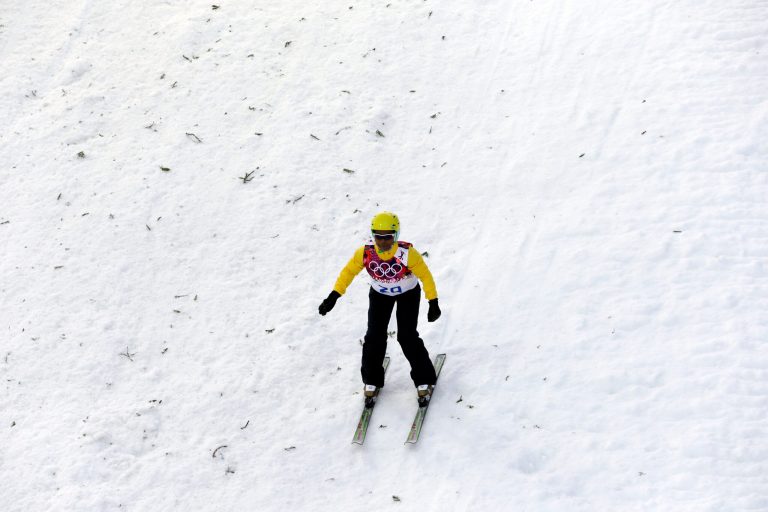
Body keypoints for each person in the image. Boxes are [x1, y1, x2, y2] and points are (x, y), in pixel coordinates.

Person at [318, 211, 442, 405]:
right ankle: (372, 380)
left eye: (388, 237)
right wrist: (333, 296)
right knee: (374, 336)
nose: (383, 242)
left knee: (407, 336)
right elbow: (348, 272)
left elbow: (425, 276)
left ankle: (424, 378)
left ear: (396, 235)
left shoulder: (407, 254)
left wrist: (433, 302)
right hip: (380, 295)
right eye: (378, 237)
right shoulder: (366, 253)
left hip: (408, 294)